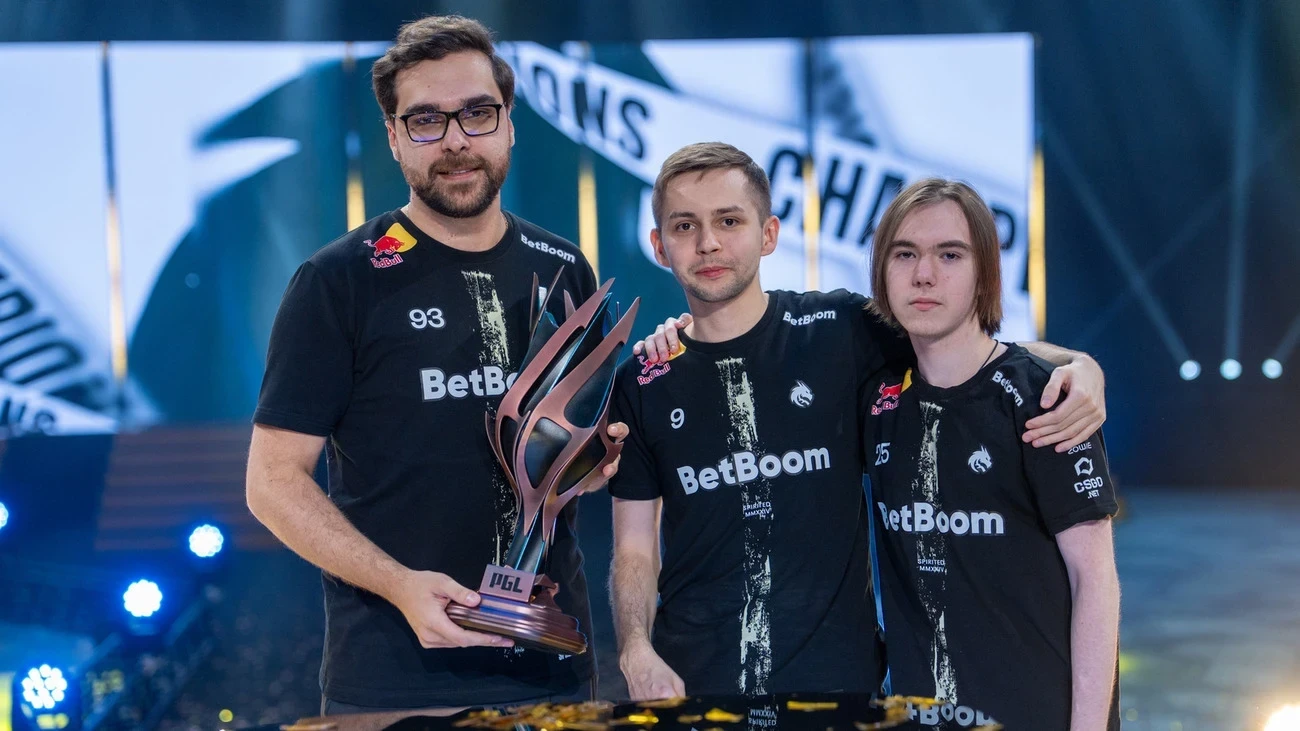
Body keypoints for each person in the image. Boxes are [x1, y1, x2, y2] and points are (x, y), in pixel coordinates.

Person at [610, 143, 1105, 701]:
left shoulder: (839, 328)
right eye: (684, 226)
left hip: (838, 691)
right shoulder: (643, 380)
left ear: (769, 234)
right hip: (690, 689)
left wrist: (1079, 366)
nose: (708, 243)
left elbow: (972, 347)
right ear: (659, 245)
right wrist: (635, 648)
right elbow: (634, 548)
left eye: (729, 221)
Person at [245, 14, 624, 715]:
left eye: (478, 113)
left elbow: (567, 465)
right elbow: (271, 484)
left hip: (552, 666)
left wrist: (591, 466)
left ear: (509, 124)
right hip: (393, 679)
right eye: (426, 120)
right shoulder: (338, 280)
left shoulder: (565, 268)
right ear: (393, 137)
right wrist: (398, 584)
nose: (456, 140)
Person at [864, 178, 1120, 729]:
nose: (924, 274)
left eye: (950, 255)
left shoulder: (1046, 400)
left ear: (985, 274)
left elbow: (1094, 581)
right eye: (904, 254)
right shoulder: (875, 394)